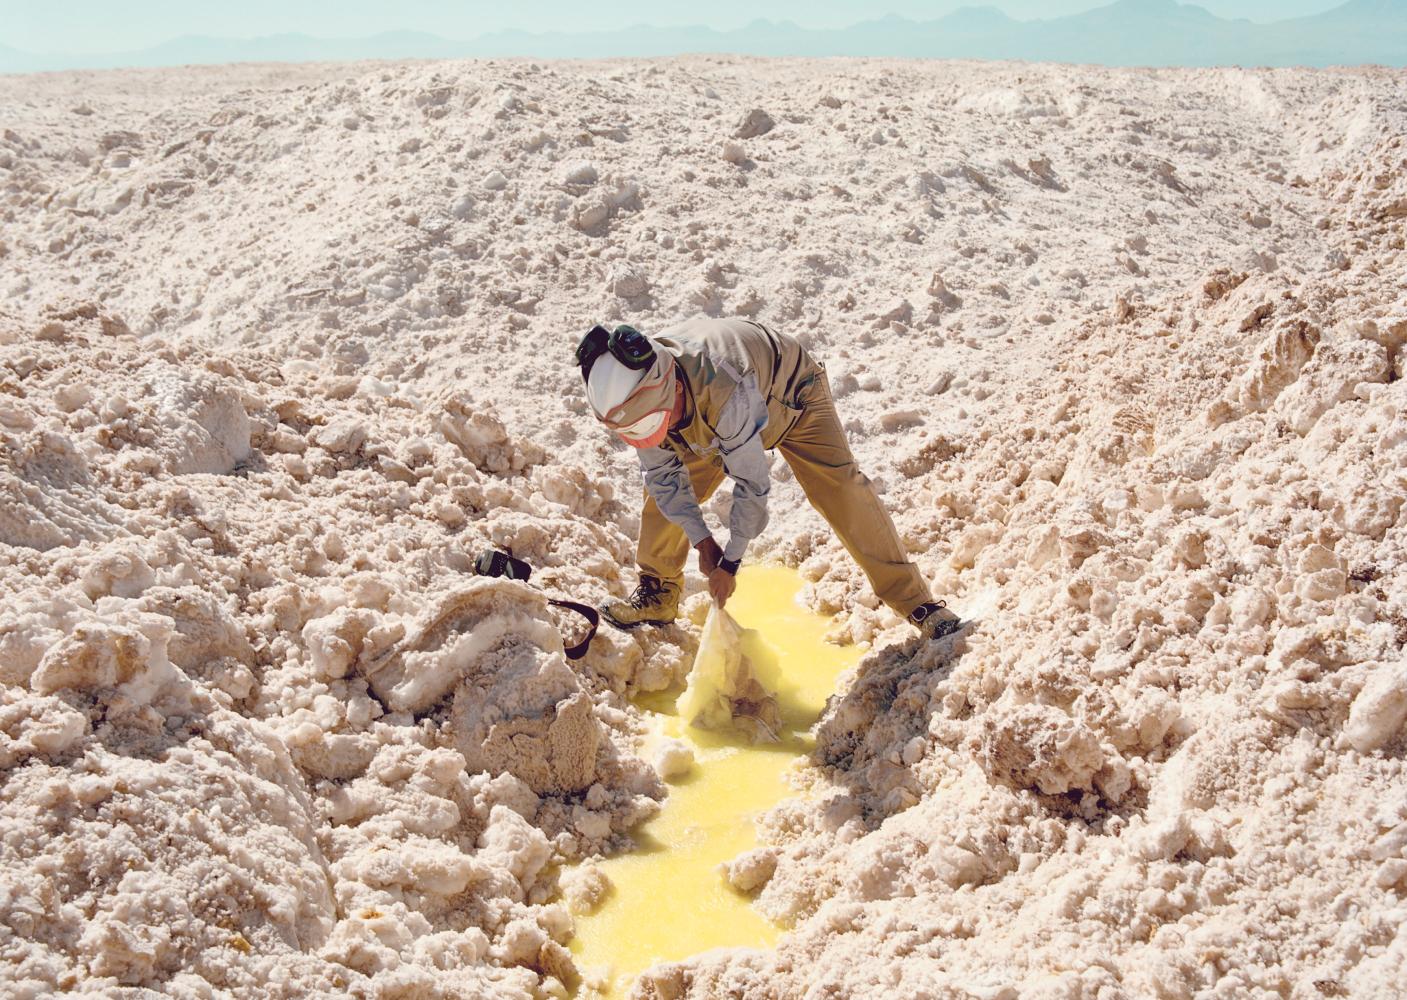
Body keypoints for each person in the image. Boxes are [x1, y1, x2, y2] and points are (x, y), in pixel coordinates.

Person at [576, 317, 963, 641]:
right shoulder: (638, 400)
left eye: (653, 426)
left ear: (672, 386)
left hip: (792, 396)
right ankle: (658, 593)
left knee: (843, 491)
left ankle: (917, 603)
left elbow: (752, 485)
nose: (650, 437)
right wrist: (703, 542)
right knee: (662, 494)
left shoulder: (725, 388)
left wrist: (730, 564)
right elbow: (664, 478)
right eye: (639, 432)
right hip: (701, 417)